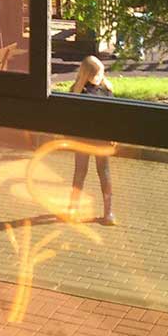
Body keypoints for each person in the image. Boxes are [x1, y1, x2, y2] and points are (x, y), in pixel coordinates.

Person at [68, 56, 117, 226]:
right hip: (83, 138)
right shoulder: (77, 91)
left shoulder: (106, 89)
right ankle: (73, 208)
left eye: (101, 73)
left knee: (104, 173)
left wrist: (113, 135)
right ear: (86, 75)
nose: (99, 77)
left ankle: (108, 211)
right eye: (96, 74)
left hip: (101, 138)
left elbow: (113, 115)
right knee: (80, 173)